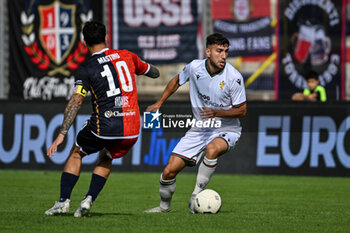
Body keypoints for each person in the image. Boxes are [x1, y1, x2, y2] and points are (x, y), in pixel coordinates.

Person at [44, 21, 159, 217]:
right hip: (132, 127)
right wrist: (140, 69)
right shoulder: (127, 55)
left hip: (105, 125)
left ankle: (63, 202)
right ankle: (88, 199)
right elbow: (154, 73)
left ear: (83, 42)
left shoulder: (87, 68)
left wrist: (62, 134)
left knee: (76, 152)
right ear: (106, 37)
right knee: (107, 155)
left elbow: (75, 102)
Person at [144, 33, 247, 213]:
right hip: (200, 129)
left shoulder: (234, 77)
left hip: (227, 129)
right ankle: (163, 208)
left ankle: (196, 196)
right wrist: (159, 102)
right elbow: (177, 80)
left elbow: (242, 110)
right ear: (208, 51)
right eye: (219, 51)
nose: (223, 56)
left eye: (226, 52)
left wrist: (216, 112)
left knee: (212, 149)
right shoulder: (194, 67)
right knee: (168, 171)